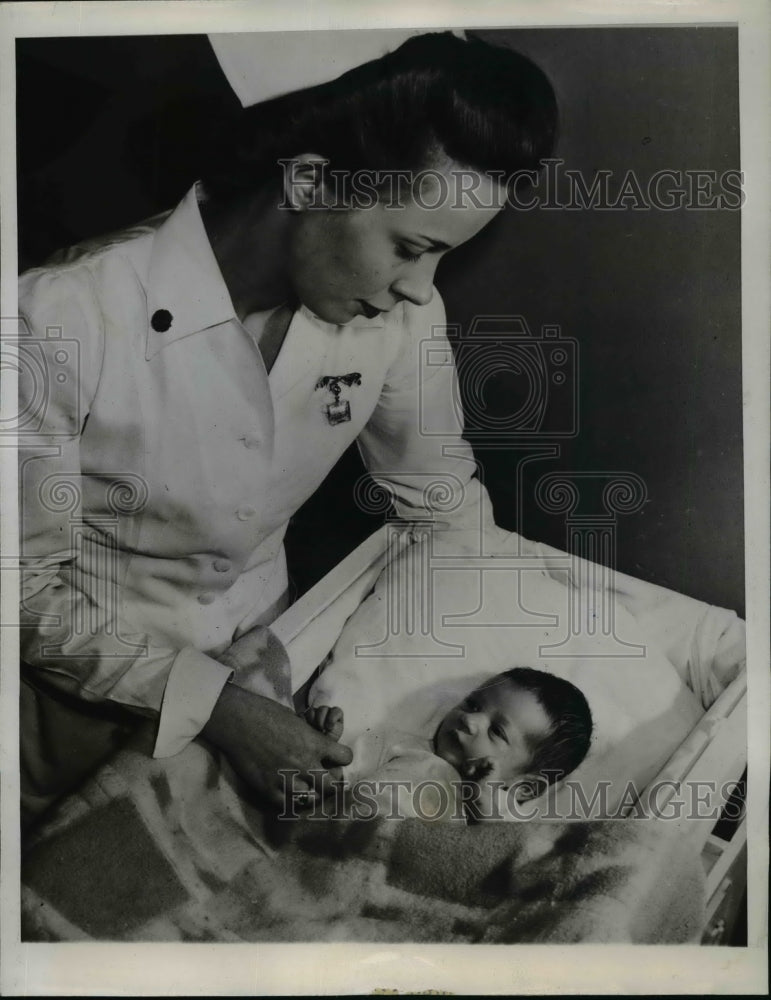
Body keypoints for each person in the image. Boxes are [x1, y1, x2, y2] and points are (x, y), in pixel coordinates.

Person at [17, 31, 558, 829]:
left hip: (274, 663)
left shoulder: (398, 317)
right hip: (79, 706)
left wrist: (481, 664)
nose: (419, 289)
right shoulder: (57, 317)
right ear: (307, 181)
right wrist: (216, 707)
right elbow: (20, 588)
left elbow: (442, 503)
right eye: (410, 248)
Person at [307, 666, 593, 822]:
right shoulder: (397, 745)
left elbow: (489, 855)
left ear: (524, 787)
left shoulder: (502, 809)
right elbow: (330, 780)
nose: (470, 720)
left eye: (496, 731)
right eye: (472, 704)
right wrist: (322, 742)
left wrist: (480, 798)